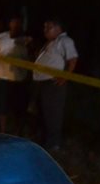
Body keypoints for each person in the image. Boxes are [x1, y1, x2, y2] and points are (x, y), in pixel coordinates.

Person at [30, 17, 78, 152]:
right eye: (44, 27)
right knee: (42, 112)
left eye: (48, 27)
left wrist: (64, 78)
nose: (45, 30)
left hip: (53, 84)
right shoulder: (51, 42)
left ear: (58, 28)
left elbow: (73, 60)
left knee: (53, 113)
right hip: (42, 83)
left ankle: (53, 144)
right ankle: (44, 140)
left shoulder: (65, 41)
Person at [0, 16, 31, 134]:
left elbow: (31, 57)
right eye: (13, 23)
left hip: (18, 79)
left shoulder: (26, 40)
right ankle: (3, 131)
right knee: (2, 105)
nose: (15, 25)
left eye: (18, 23)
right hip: (1, 76)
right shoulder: (2, 36)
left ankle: (17, 132)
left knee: (17, 106)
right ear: (10, 24)